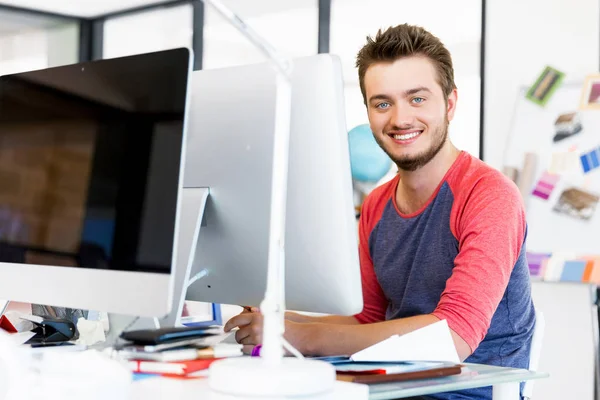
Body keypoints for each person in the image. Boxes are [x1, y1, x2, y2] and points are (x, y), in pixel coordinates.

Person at [224, 24, 536, 400]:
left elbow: (453, 337)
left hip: (473, 394)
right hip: (389, 387)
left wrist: (299, 336)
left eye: (417, 99)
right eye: (382, 103)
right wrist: (280, 321)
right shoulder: (376, 204)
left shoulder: (489, 195)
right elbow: (366, 318)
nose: (400, 119)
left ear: (450, 103)